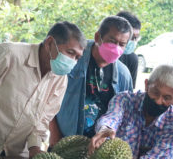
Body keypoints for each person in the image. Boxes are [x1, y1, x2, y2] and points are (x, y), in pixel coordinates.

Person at [0, 21, 86, 158]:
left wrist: (34, 146)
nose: (73, 61)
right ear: (49, 43)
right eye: (70, 52)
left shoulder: (60, 79)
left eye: (77, 57)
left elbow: (44, 118)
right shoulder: (9, 54)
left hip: (16, 153)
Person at [49, 16, 133, 146]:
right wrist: (55, 135)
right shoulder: (72, 59)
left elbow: (125, 113)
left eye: (122, 44)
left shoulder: (124, 75)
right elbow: (48, 97)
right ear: (97, 37)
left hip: (99, 147)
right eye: (112, 41)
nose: (116, 48)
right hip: (63, 141)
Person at [89, 64, 173, 159]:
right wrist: (106, 128)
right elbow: (112, 117)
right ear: (147, 85)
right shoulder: (124, 100)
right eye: (155, 92)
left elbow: (158, 156)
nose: (158, 101)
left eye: (166, 98)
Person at [117, 11, 141, 89]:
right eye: (131, 37)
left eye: (136, 38)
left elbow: (129, 93)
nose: (133, 41)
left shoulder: (132, 59)